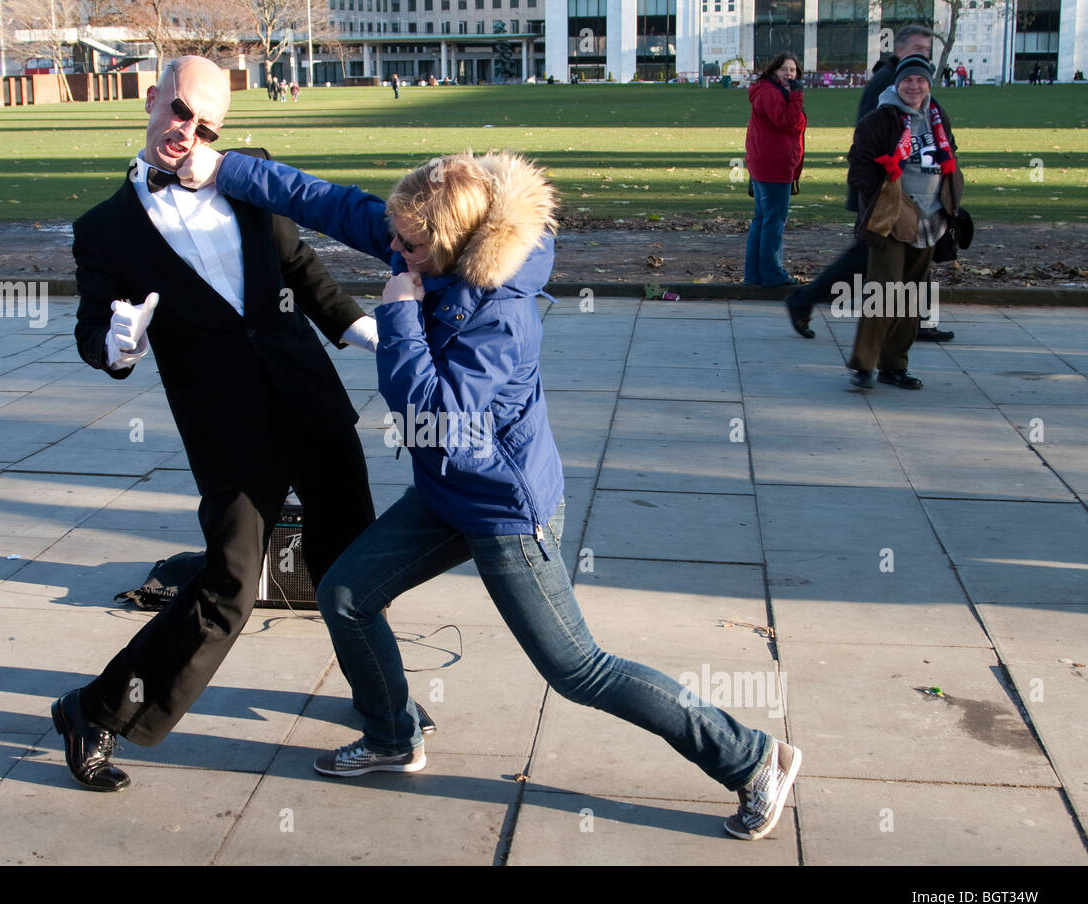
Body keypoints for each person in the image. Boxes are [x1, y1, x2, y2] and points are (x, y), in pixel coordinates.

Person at [209, 147, 802, 841]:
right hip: (448, 492)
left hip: (500, 507)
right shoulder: (424, 238)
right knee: (345, 594)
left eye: (409, 245)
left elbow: (435, 420)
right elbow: (333, 203)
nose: (394, 251)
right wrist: (225, 168)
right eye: (394, 238)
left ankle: (751, 757)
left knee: (578, 668)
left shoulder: (501, 314)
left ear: (455, 244)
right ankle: (393, 735)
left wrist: (398, 317)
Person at [51, 55, 417, 792]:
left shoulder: (249, 176)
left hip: (308, 396)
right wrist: (117, 347)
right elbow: (95, 329)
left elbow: (302, 268)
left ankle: (381, 706)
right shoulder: (105, 228)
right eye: (179, 110)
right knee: (230, 584)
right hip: (226, 426)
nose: (188, 131)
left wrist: (366, 330)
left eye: (206, 123)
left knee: (353, 559)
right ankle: (94, 710)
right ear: (150, 97)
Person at [783, 25, 953, 343]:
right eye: (917, 49)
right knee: (865, 262)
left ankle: (916, 322)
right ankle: (804, 300)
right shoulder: (889, 83)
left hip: (909, 195)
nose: (922, 56)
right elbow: (871, 141)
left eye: (926, 51)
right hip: (885, 196)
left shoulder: (907, 80)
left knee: (911, 254)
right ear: (899, 49)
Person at [846, 54, 962, 390]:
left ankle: (894, 366)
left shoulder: (937, 117)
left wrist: (952, 199)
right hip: (892, 218)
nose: (914, 86)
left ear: (929, 84)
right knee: (885, 292)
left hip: (930, 218)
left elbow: (950, 155)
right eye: (907, 81)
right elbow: (860, 168)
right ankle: (864, 365)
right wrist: (883, 197)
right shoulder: (881, 119)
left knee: (912, 296)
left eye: (920, 81)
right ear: (897, 84)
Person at [744, 51, 806, 287]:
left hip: (765, 164)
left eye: (793, 70)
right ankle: (771, 274)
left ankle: (755, 275)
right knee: (773, 221)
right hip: (774, 166)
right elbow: (788, 122)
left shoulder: (769, 92)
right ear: (773, 71)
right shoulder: (772, 94)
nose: (789, 74)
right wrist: (797, 96)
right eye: (784, 70)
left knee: (762, 220)